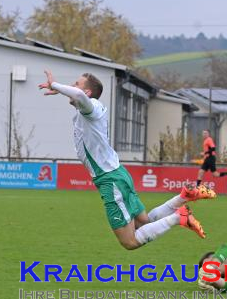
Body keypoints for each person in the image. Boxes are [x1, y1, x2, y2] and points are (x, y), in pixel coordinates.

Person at [38, 70, 216, 250]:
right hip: (117, 173)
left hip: (109, 179)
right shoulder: (87, 111)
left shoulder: (90, 107)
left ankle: (179, 217)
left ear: (88, 93)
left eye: (77, 84)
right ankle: (183, 197)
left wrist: (56, 86)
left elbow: (77, 94)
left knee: (129, 242)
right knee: (144, 223)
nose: (73, 87)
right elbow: (77, 94)